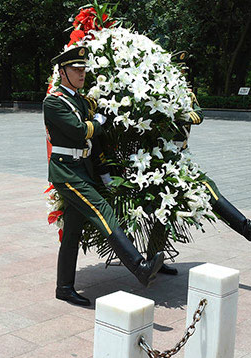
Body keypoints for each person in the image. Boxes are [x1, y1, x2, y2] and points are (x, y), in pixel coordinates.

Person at [44, 47, 164, 306]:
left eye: (83, 69)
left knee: (73, 231)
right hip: (66, 172)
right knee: (102, 211)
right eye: (76, 70)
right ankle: (139, 266)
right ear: (62, 72)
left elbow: (94, 138)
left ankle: (64, 287)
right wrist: (98, 122)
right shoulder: (54, 101)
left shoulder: (80, 100)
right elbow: (79, 131)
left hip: (82, 170)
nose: (81, 74)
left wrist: (104, 171)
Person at [151, 52, 251, 275]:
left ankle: (247, 227)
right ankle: (153, 260)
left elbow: (198, 115)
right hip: (161, 159)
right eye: (179, 71)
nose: (183, 76)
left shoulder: (187, 95)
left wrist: (182, 113)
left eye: (184, 72)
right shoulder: (160, 93)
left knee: (207, 190)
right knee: (164, 210)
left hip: (181, 157)